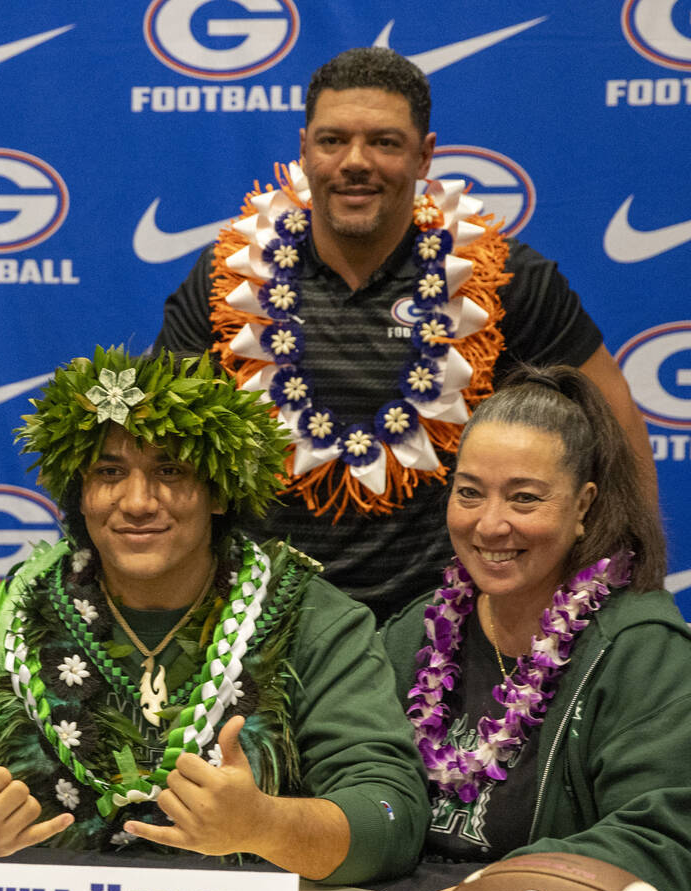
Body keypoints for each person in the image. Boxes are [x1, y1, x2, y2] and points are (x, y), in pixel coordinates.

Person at [0, 347, 428, 883]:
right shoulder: (2, 621)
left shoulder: (310, 619)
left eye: (171, 472)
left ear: (220, 492)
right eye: (109, 473)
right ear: (79, 493)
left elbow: (391, 809)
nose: (136, 501)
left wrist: (265, 825)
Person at [153, 47, 656, 623]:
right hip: (262, 627)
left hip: (448, 635)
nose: (355, 162)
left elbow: (615, 435)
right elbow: (161, 440)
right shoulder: (229, 278)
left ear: (425, 157)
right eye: (332, 140)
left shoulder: (505, 279)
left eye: (385, 143)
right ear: (303, 150)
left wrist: (638, 598)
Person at [376, 366, 691, 891]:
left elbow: (664, 834)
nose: (490, 524)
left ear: (582, 508)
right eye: (469, 492)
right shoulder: (413, 634)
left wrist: (499, 887)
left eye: (525, 498)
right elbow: (356, 780)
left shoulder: (642, 650)